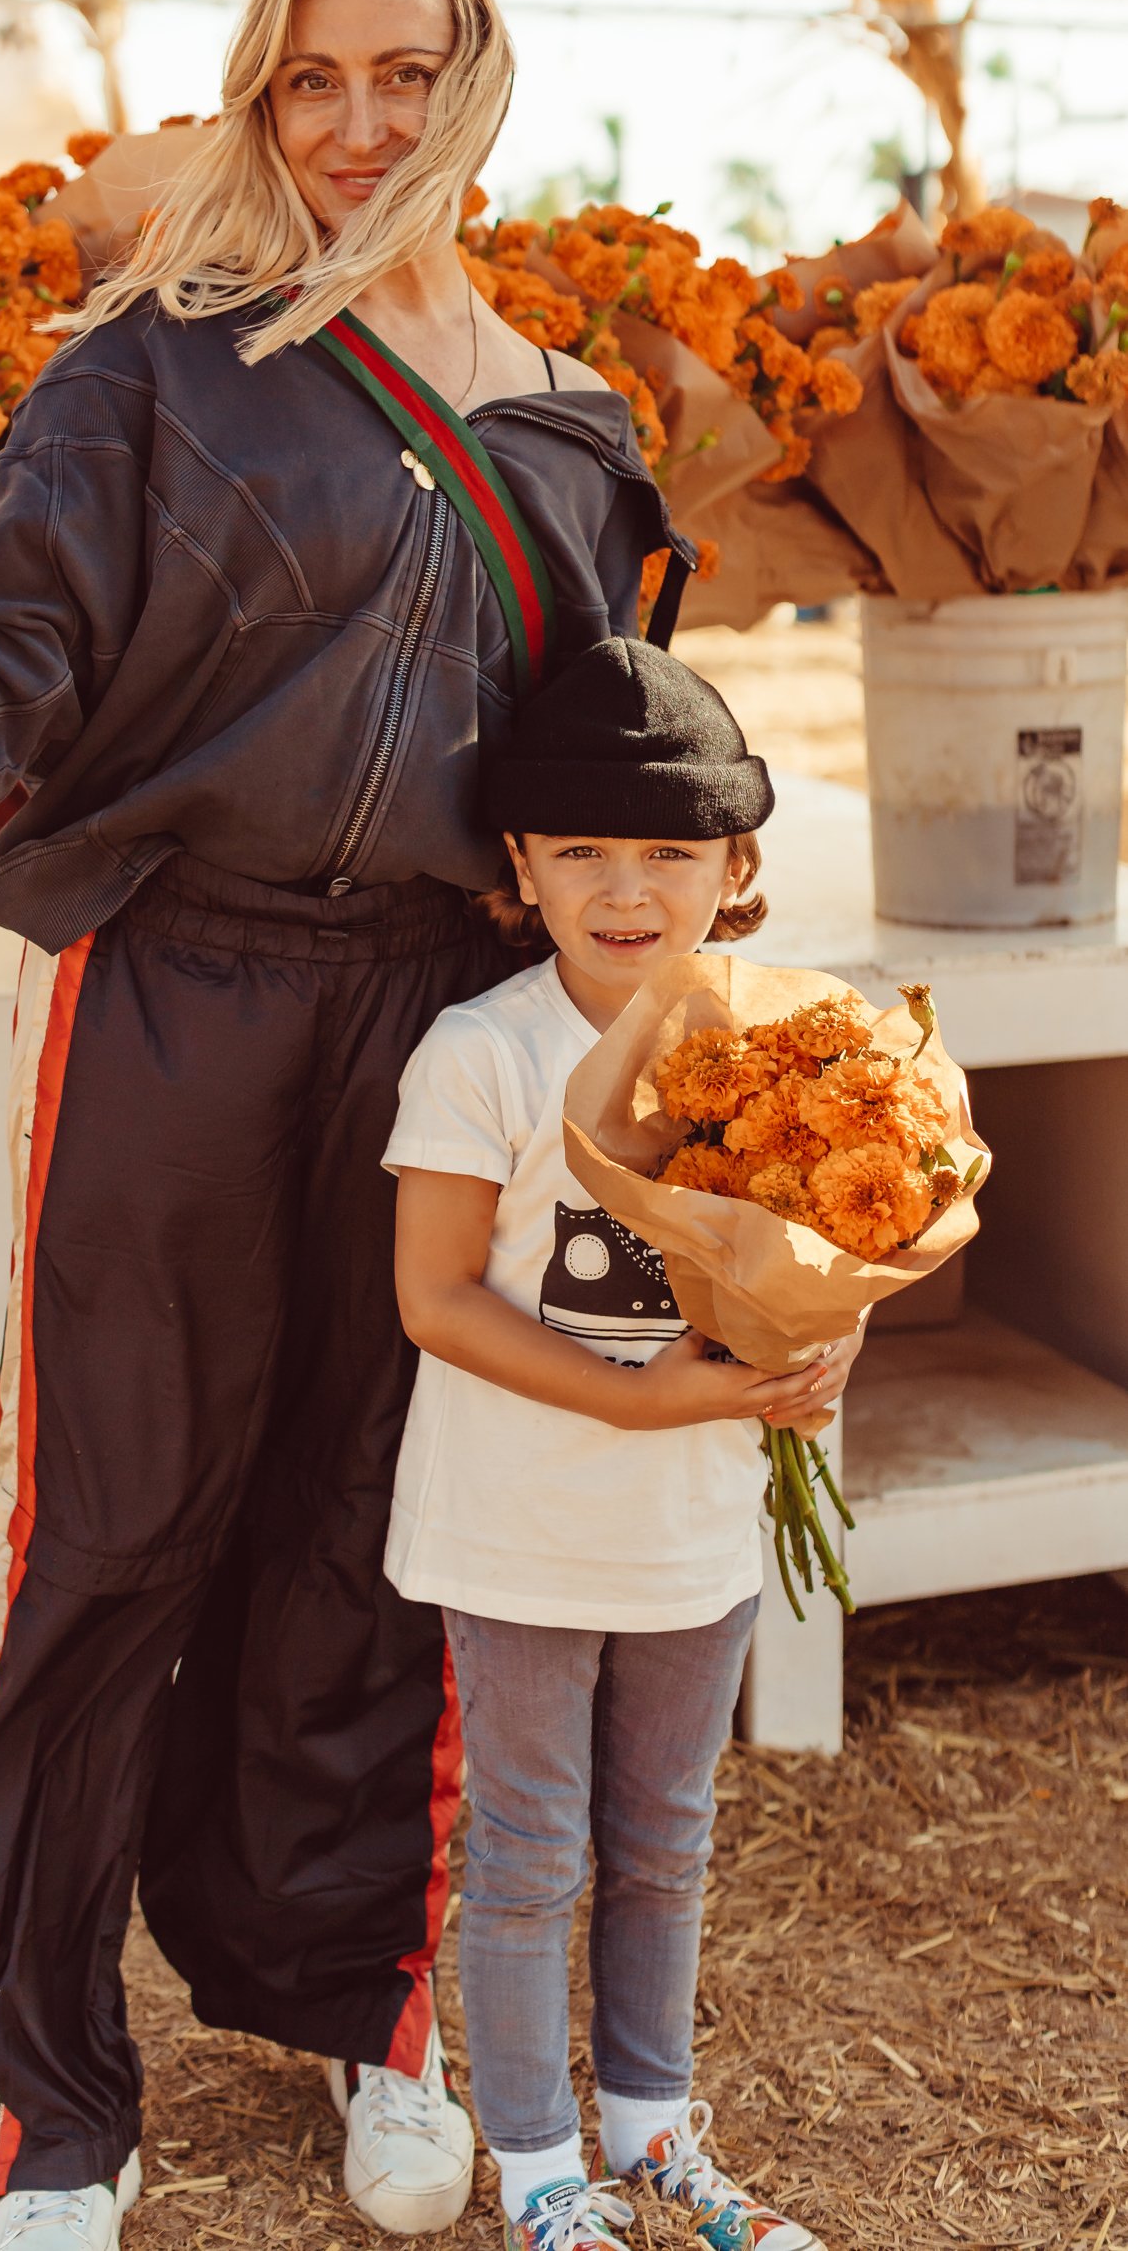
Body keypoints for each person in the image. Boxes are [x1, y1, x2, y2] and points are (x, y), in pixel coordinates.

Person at [0, 0, 696, 2251]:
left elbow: (607, 774)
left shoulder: (572, 423)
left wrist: (689, 1017)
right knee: (112, 1533)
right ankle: (58, 2102)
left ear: (476, 81)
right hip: (178, 995)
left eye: (404, 74)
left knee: (377, 1522)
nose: (357, 125)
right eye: (312, 78)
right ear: (257, 92)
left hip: (436, 1024)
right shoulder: (156, 366)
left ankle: (362, 2014)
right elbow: (0, 655)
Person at [386, 637, 853, 2251]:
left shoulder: (781, 1063)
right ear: (519, 864)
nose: (626, 885)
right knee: (528, 1851)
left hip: (692, 1529)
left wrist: (826, 1335)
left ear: (738, 867)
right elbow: (438, 1299)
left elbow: (813, 1257)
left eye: (669, 850)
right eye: (581, 847)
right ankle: (534, 2165)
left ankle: (654, 2130)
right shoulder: (486, 1055)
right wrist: (647, 1396)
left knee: (665, 1838)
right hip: (518, 1531)